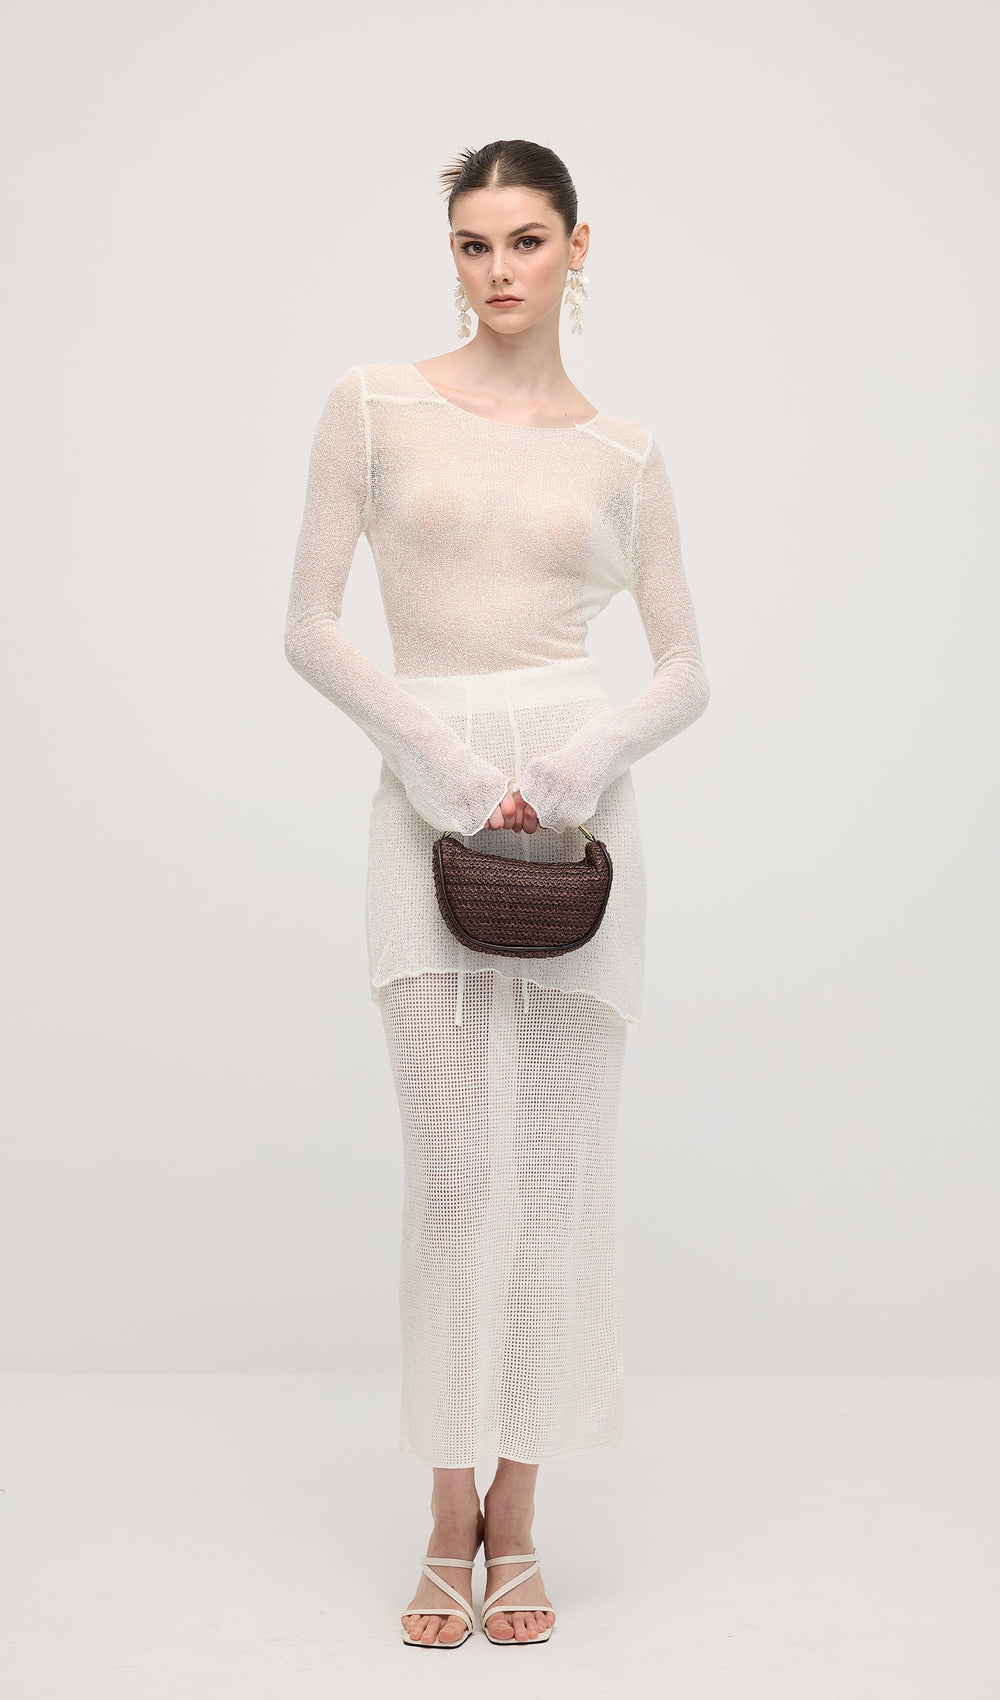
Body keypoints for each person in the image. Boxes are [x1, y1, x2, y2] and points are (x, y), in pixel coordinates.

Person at [284, 138, 710, 1648]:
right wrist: (447, 766)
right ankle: (443, 1508)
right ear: (452, 255)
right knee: (456, 1170)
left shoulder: (626, 453)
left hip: (580, 830)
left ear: (577, 249)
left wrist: (583, 759)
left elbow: (684, 667)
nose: (498, 270)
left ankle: (518, 1517)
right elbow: (312, 625)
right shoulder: (374, 405)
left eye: (527, 240)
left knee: (554, 1174)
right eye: (474, 243)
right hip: (432, 812)